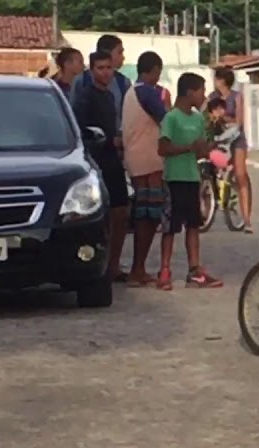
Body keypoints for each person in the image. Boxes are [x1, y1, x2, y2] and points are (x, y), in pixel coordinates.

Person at [154, 73, 220, 290]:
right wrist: (187, 148)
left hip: (192, 177)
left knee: (193, 225)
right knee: (170, 228)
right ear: (190, 92)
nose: (204, 96)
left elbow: (200, 150)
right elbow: (163, 148)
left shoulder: (198, 119)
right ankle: (165, 270)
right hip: (173, 179)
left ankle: (194, 270)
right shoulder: (171, 118)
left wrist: (208, 146)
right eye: (201, 91)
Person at [72, 51, 130, 283]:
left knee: (121, 212)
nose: (105, 72)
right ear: (91, 70)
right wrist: (107, 141)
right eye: (100, 68)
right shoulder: (85, 97)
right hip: (96, 163)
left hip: (113, 160)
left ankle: (113, 265)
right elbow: (82, 132)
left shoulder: (110, 96)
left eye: (108, 68)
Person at [121, 51, 169, 288]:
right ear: (155, 70)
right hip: (149, 160)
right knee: (148, 216)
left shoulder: (131, 92)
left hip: (135, 159)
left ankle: (138, 269)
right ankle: (137, 269)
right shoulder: (148, 92)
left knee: (145, 214)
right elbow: (167, 120)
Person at [208, 67, 253, 232]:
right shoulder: (212, 97)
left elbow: (239, 121)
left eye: (217, 79)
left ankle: (246, 220)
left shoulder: (236, 97)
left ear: (223, 81)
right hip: (218, 136)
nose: (215, 82)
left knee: (240, 175)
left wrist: (223, 117)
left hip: (235, 138)